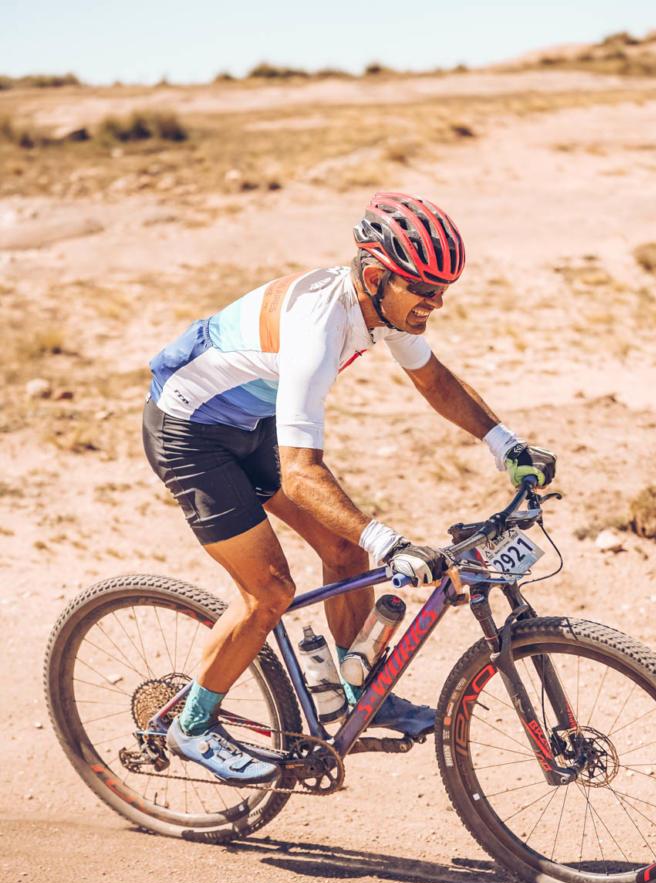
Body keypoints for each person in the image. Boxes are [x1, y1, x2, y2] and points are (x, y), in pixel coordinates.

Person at [143, 191, 556, 786]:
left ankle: (355, 692)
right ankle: (192, 724)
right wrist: (391, 543)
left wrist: (506, 445)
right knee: (270, 592)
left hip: (246, 424)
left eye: (444, 290)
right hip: (189, 433)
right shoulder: (319, 324)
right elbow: (300, 472)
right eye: (425, 289)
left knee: (343, 549)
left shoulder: (383, 307)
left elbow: (434, 380)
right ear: (376, 277)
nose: (437, 303)